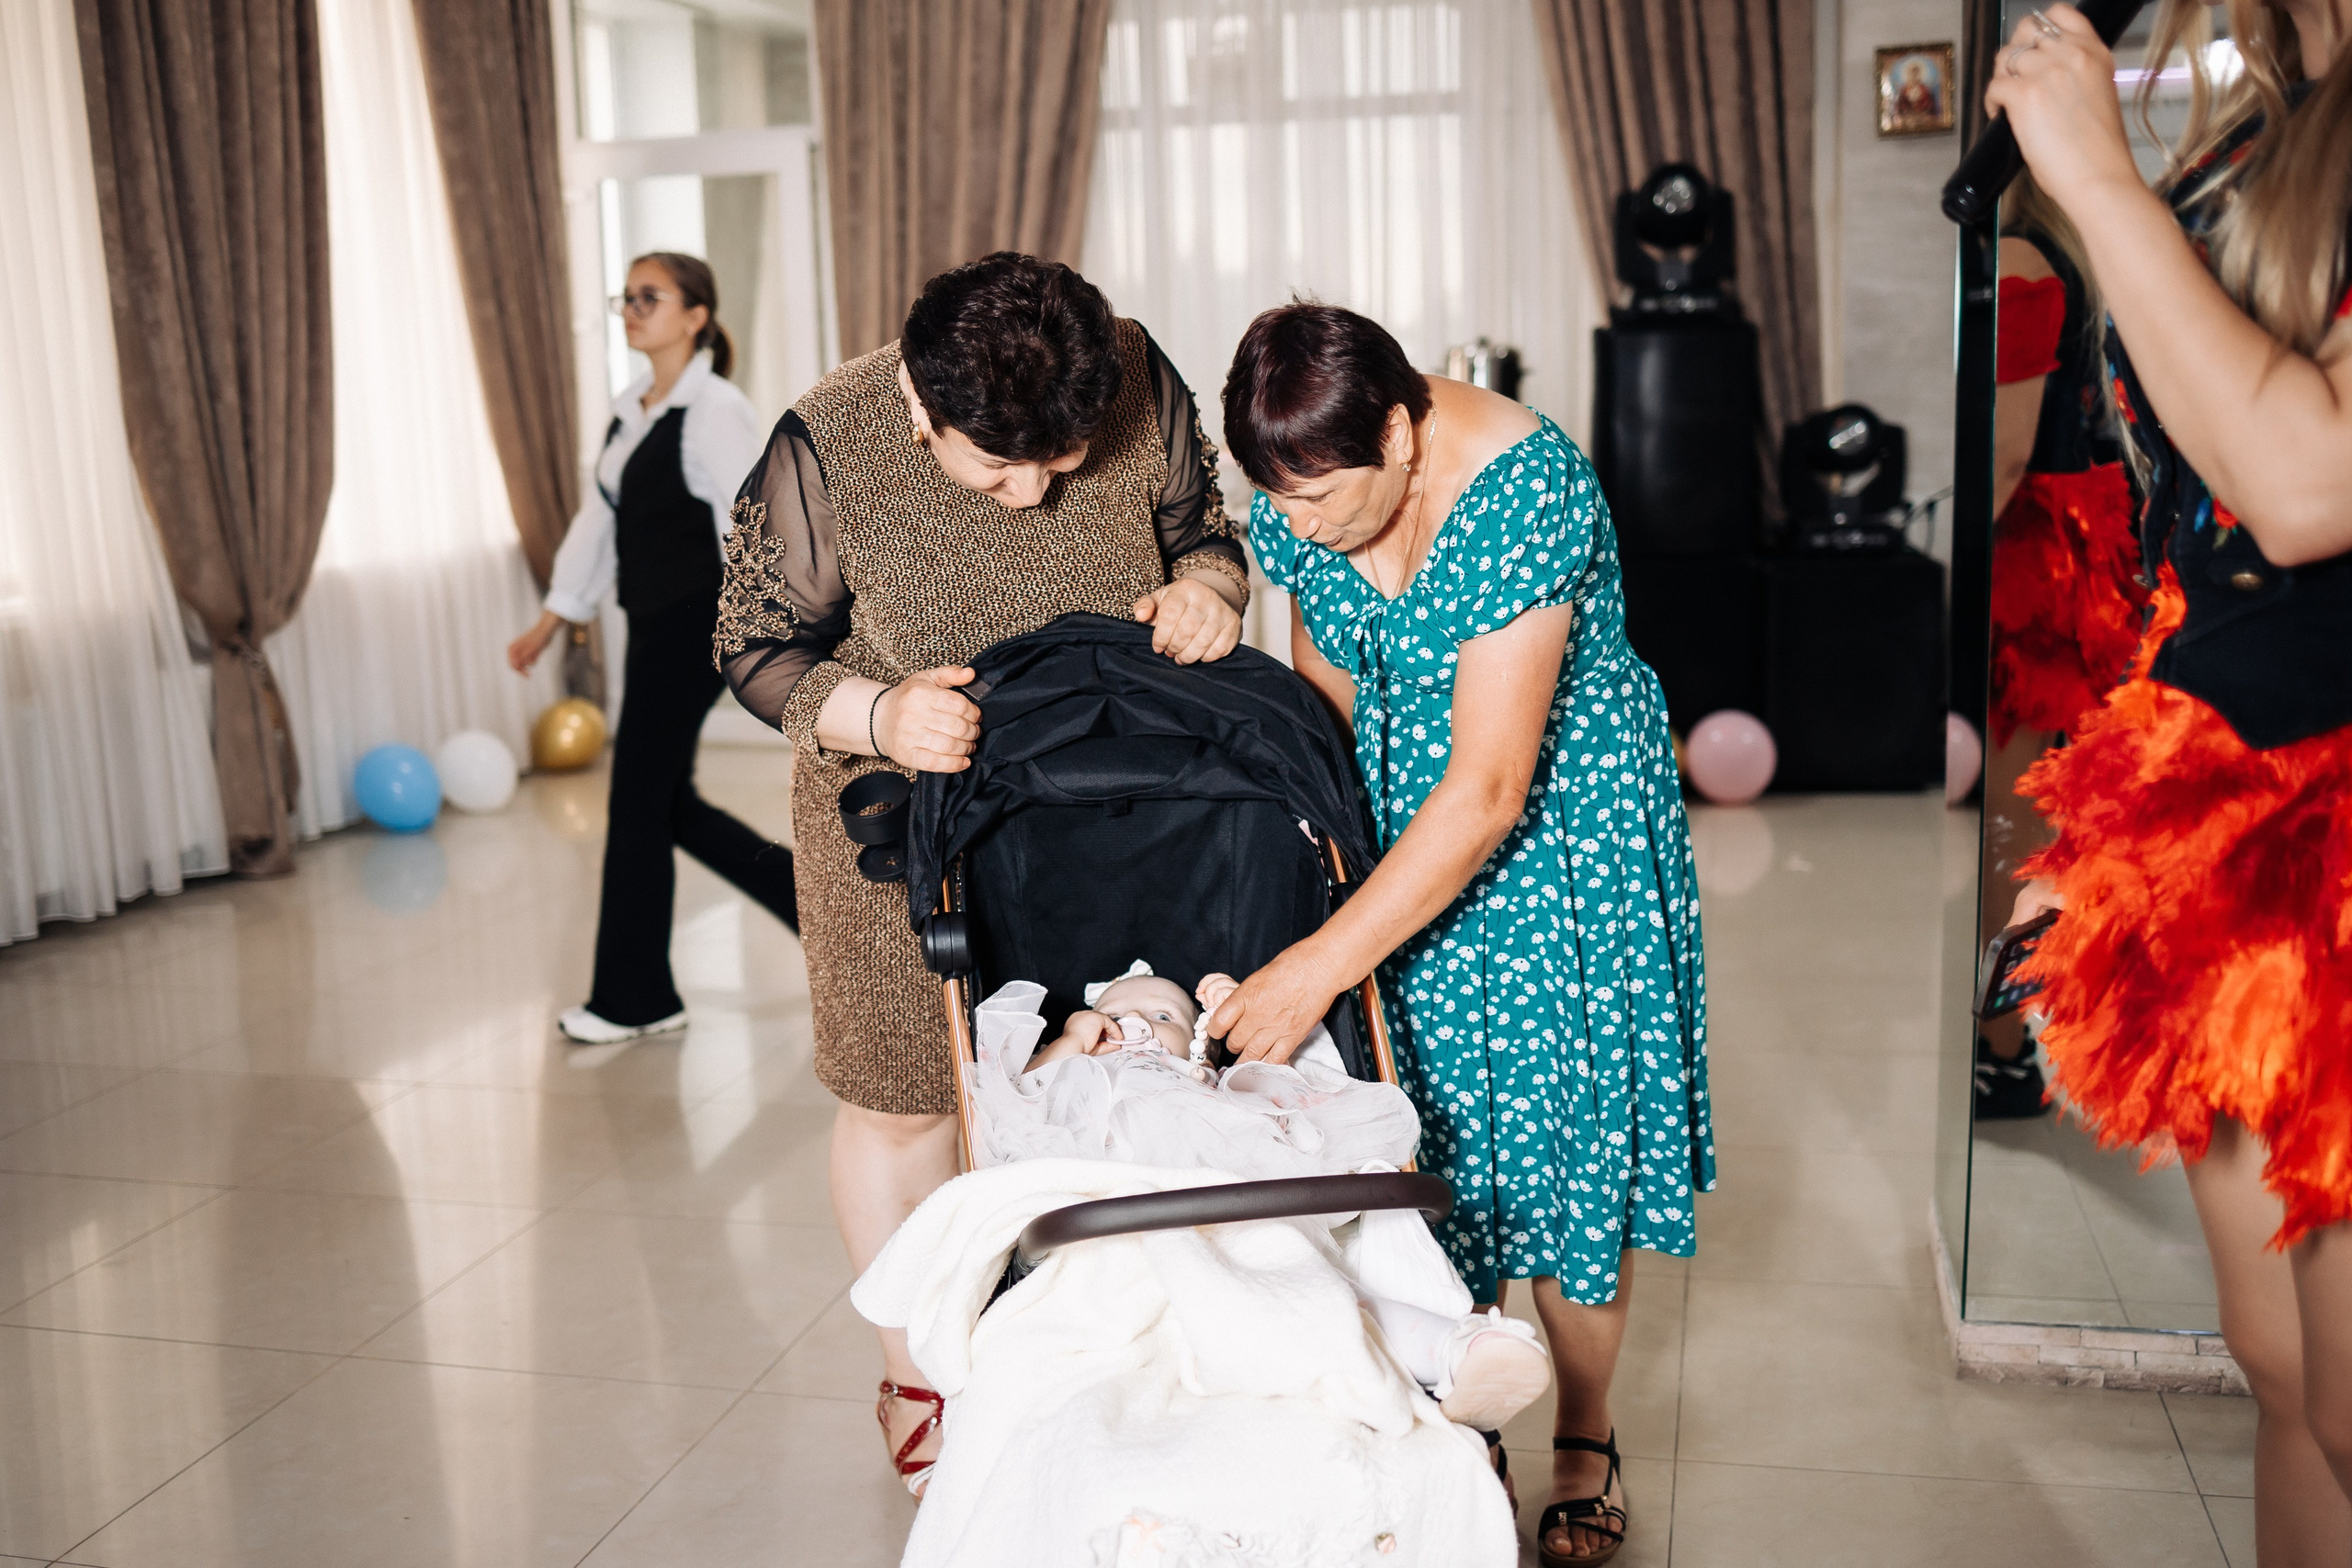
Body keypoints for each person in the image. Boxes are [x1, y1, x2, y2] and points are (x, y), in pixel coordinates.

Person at [714, 252, 1249, 1492]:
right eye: (994, 463)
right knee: (906, 1096)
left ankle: (1088, 1343)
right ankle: (921, 1364)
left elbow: (1203, 536)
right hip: (896, 811)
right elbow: (752, 642)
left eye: (1059, 461)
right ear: (919, 406)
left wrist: (1208, 595)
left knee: (1096, 1069)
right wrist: (883, 709)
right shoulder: (830, 434)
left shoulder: (1126, 368)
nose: (1030, 492)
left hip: (1103, 798)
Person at [1212, 302, 1711, 1568]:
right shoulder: (1304, 492)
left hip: (1560, 844)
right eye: (1282, 502)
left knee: (1565, 1146)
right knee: (1433, 1139)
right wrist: (1310, 874)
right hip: (1403, 845)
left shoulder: (1525, 491)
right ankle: (1463, 1398)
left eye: (1322, 496)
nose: (1300, 525)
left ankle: (1585, 1436)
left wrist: (1326, 960)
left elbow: (1491, 787)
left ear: (1401, 428)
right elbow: (1320, 694)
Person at [1990, 1, 2352, 1558]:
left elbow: (2305, 487)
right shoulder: (2266, 131)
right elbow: (2216, 557)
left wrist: (2096, 185)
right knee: (2284, 1371)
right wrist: (2128, 821)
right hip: (2246, 789)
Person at [965, 964, 1555, 1453]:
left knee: (1314, 1280)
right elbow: (1013, 1109)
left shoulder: (1208, 1084)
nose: (1136, 1023)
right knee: (1231, 1301)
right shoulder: (1077, 1071)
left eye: (1164, 1017)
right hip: (1114, 1226)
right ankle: (1415, 1359)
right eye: (1115, 1015)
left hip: (1235, 1208)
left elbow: (1294, 1093)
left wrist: (1233, 1016)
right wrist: (1071, 1042)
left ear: (1199, 1045)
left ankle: (1460, 1348)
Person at [507, 252, 798, 1045]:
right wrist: (552, 617)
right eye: (626, 297)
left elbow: (755, 522)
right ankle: (819, 910)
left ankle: (633, 997)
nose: (632, 309)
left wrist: (756, 636)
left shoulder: (715, 407)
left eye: (650, 296)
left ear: (696, 315)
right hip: (652, 621)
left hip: (701, 625)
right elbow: (596, 524)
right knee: (669, 802)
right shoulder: (631, 406)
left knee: (637, 799)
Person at [1974, 170, 2145, 1119]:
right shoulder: (2070, 253)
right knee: (2029, 807)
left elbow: (2004, 450)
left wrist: (1957, 572)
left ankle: (2003, 1042)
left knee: (2012, 818)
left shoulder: (2023, 263)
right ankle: (2008, 1033)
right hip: (2079, 530)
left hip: (2031, 547)